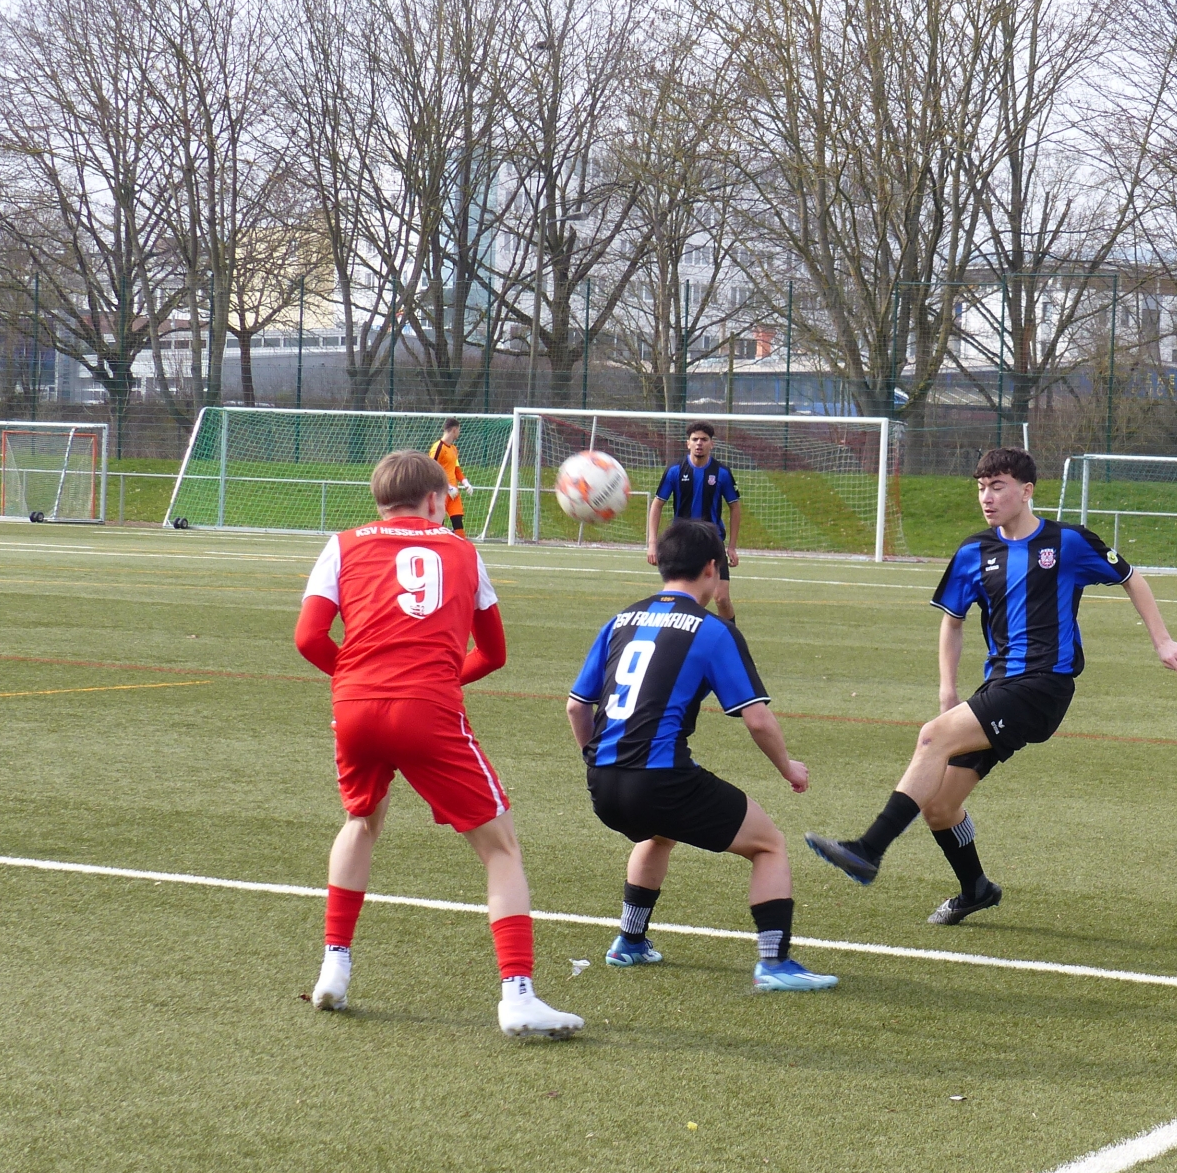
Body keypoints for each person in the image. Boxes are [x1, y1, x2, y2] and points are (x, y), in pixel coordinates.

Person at [805, 447, 1177, 924]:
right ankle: (976, 889)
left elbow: (1132, 578)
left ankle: (867, 849)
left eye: (998, 487)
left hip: (1044, 686)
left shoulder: (1068, 541)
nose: (986, 498)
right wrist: (948, 692)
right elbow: (952, 621)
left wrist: (1163, 641)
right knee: (942, 806)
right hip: (998, 688)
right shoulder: (974, 551)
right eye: (981, 488)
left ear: (1026, 491)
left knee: (931, 737)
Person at [293, 450, 582, 1039]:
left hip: (353, 708)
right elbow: (495, 653)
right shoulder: (463, 550)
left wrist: (354, 680)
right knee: (500, 848)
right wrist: (438, 681)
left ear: (378, 500)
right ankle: (518, 993)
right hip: (426, 707)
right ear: (435, 501)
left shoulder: (342, 543)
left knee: (360, 821)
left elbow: (308, 637)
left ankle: (335, 966)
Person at [568, 518, 836, 992]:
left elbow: (576, 706)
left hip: (603, 784)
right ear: (712, 569)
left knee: (657, 833)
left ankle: (630, 942)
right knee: (769, 844)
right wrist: (789, 767)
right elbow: (756, 719)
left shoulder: (621, 620)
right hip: (660, 781)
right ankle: (775, 963)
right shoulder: (712, 631)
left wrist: (595, 762)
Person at [646, 422, 742, 624]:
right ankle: (681, 638)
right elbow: (656, 505)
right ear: (687, 443)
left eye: (704, 440)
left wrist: (732, 546)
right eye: (695, 439)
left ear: (711, 444)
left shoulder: (721, 473)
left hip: (712, 542)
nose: (699, 443)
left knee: (722, 598)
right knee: (688, 599)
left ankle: (731, 639)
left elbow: (735, 507)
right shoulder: (674, 471)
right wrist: (652, 544)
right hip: (683, 543)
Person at [428, 417, 471, 534]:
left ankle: (459, 549)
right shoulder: (438, 447)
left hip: (453, 493)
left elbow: (456, 469)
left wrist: (465, 482)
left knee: (458, 524)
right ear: (454, 430)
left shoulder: (454, 449)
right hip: (441, 491)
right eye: (459, 430)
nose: (459, 433)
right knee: (438, 527)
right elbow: (431, 470)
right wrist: (446, 486)